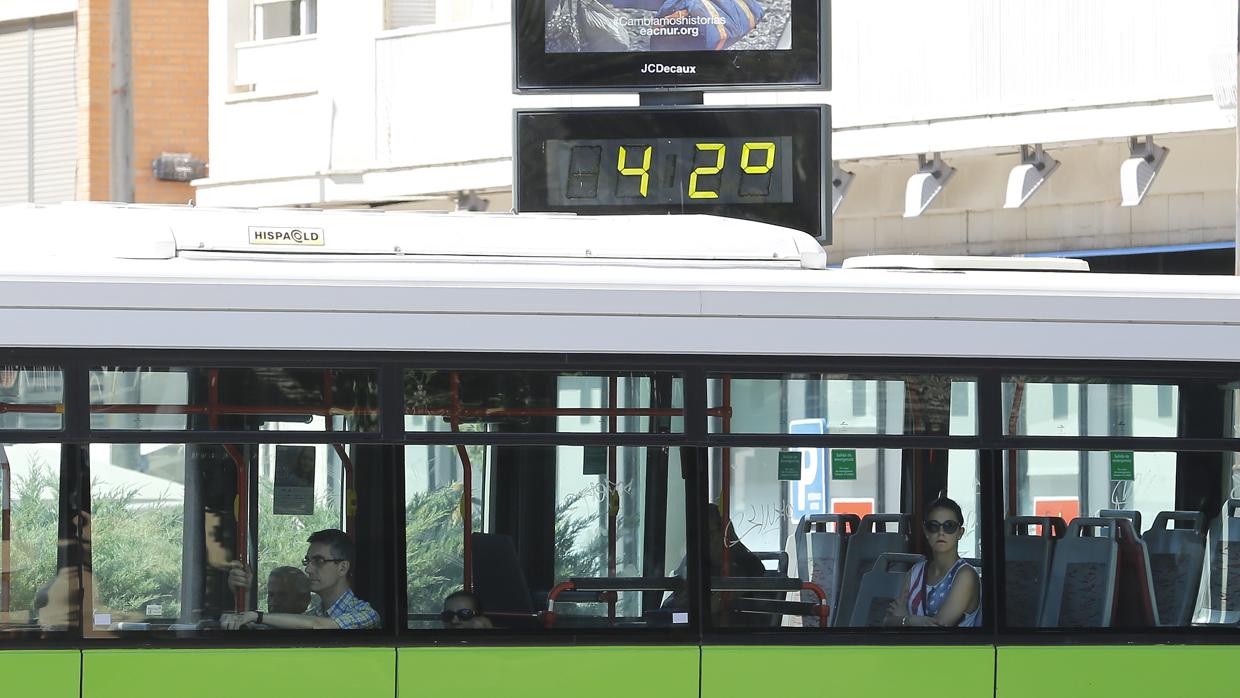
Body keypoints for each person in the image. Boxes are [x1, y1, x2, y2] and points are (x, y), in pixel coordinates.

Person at [221, 529, 379, 630]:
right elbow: (261, 632)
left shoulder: (365, 614)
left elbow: (318, 626)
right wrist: (244, 592)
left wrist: (257, 615)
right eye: (307, 562)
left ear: (343, 568)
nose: (308, 569)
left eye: (319, 561)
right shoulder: (313, 614)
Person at [886, 496, 980, 628]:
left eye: (949, 526)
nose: (941, 532)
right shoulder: (915, 572)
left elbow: (938, 630)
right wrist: (910, 621)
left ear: (960, 532)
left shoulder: (966, 575)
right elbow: (888, 621)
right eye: (934, 526)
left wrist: (905, 619)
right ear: (926, 531)